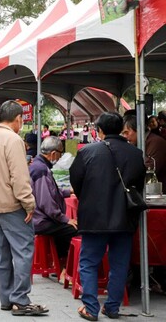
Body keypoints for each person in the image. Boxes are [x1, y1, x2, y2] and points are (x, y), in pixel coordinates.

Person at [70, 112, 145, 321]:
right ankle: (112, 307)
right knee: (120, 263)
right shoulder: (135, 153)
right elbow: (138, 186)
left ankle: (91, 308)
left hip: (95, 217)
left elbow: (76, 181)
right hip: (124, 217)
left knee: (89, 262)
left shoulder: (88, 152)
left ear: (100, 130)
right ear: (121, 128)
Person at [0, 100, 48, 316]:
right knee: (23, 251)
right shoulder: (13, 140)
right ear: (19, 118)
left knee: (1, 254)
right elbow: (20, 177)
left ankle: (6, 298)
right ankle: (20, 298)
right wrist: (29, 204)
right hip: (12, 204)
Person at [29, 136, 78, 277]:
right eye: (60, 153)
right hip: (41, 221)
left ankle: (61, 266)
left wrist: (68, 192)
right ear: (53, 153)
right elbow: (46, 202)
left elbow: (50, 192)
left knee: (64, 230)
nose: (60, 157)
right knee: (75, 230)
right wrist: (64, 218)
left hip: (40, 218)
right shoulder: (41, 169)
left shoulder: (40, 166)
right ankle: (66, 270)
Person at [122, 115, 166, 193]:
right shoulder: (137, 144)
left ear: (138, 130)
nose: (125, 136)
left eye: (127, 132)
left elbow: (148, 169)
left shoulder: (156, 142)